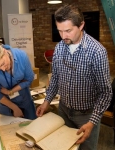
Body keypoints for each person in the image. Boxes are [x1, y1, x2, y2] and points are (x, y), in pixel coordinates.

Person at [36, 3, 112, 150]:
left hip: (87, 115)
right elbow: (56, 79)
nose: (63, 36)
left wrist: (92, 122)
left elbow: (106, 93)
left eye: (68, 30)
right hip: (64, 110)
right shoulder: (59, 47)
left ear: (81, 25)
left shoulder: (97, 52)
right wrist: (46, 102)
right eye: (60, 31)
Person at [0, 40, 37, 120]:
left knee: (32, 125)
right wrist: (14, 108)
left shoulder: (21, 56)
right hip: (5, 103)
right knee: (9, 128)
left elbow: (29, 78)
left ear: (4, 51)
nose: (3, 69)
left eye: (2, 64)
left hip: (24, 98)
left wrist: (11, 91)